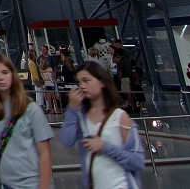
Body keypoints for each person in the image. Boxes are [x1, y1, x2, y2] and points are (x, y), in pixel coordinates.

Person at [59, 61, 145, 189]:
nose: (82, 86)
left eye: (86, 80)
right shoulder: (81, 116)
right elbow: (67, 140)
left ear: (101, 82)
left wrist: (104, 146)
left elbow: (138, 162)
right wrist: (72, 109)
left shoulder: (120, 117)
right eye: (79, 82)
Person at [0, 54, 52, 189]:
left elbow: (45, 152)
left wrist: (44, 186)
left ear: (12, 75)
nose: (0, 77)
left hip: (32, 182)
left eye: (5, 72)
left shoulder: (31, 108)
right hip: (5, 183)